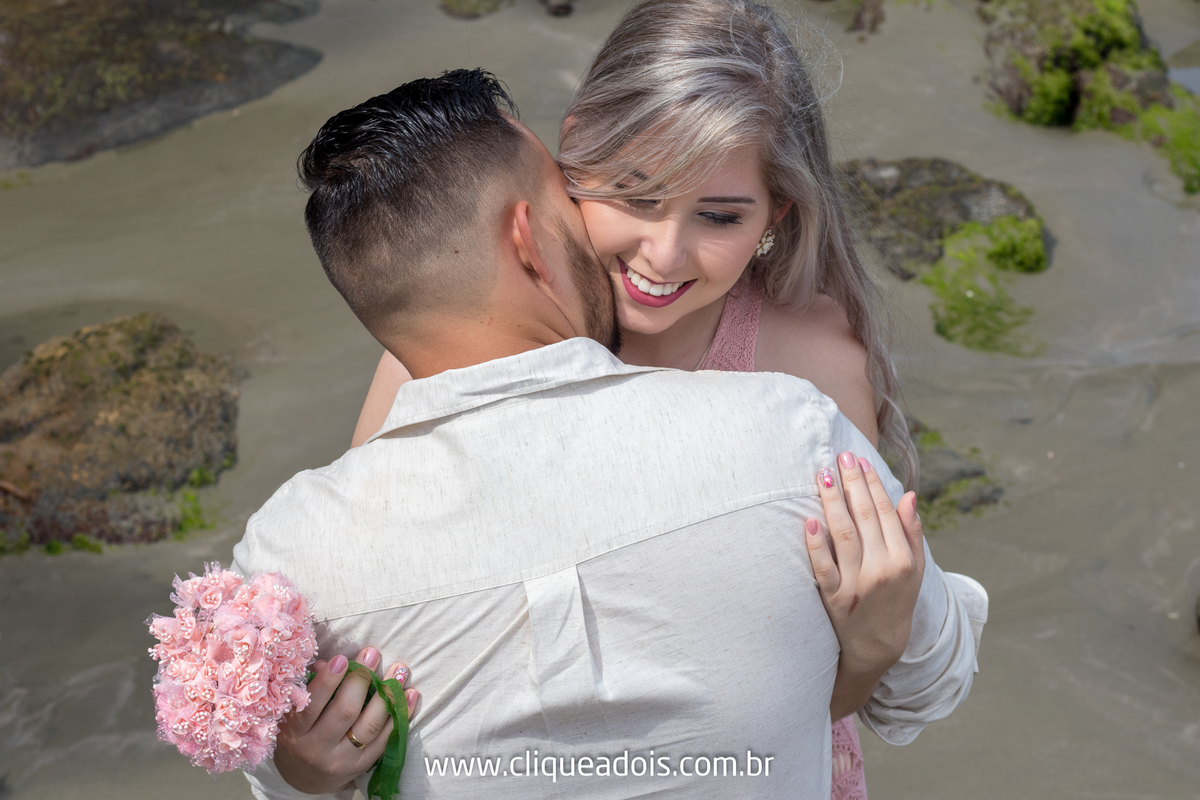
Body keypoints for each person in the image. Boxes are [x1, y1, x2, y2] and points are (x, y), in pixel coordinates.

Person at [235, 69, 984, 800]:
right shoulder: (792, 435)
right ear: (529, 239)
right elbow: (933, 674)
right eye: (580, 198)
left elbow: (282, 748)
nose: (658, 254)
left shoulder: (290, 559)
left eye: (718, 214)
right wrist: (875, 649)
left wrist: (292, 775)